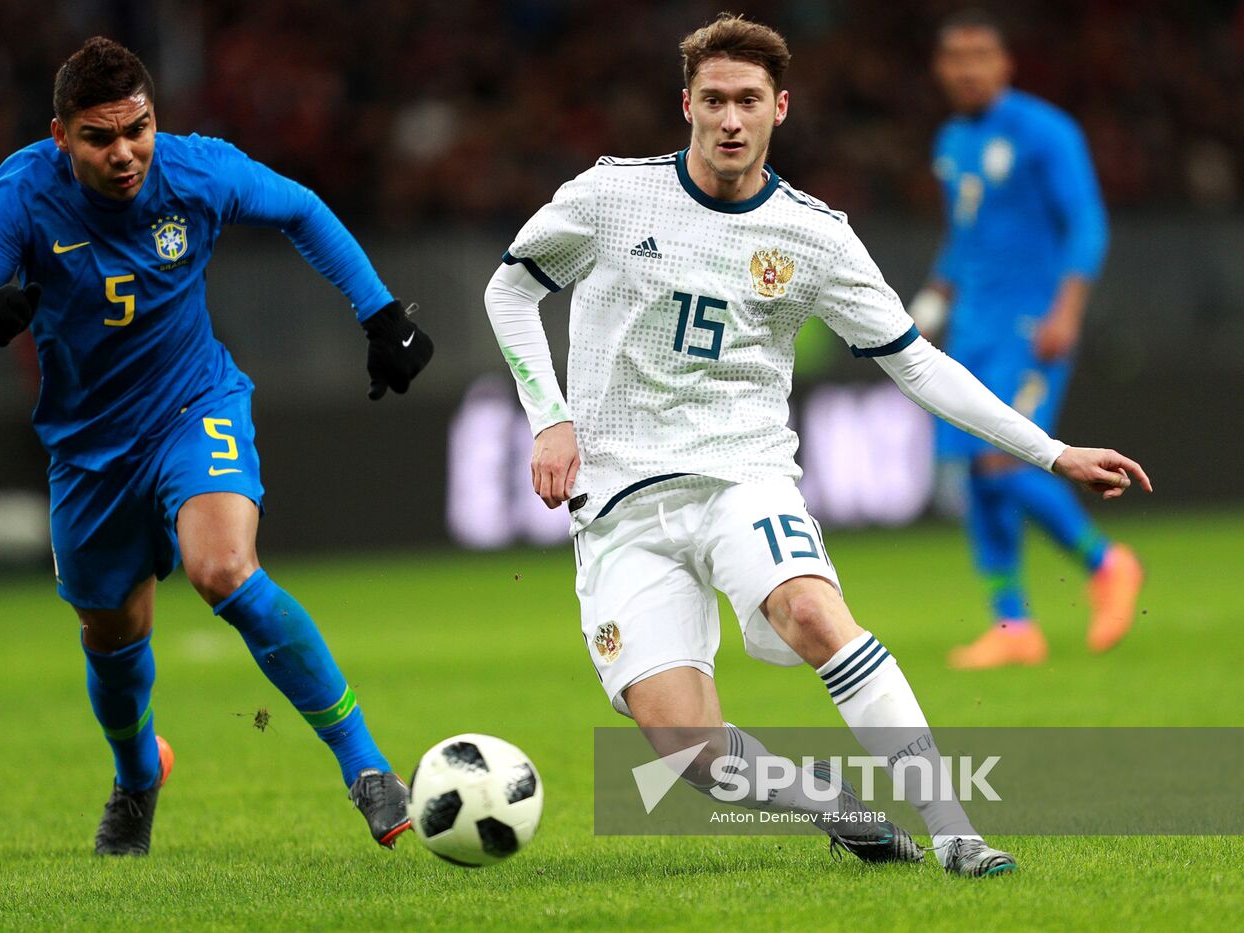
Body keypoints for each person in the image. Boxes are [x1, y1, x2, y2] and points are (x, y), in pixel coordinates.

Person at [483, 13, 1150, 877]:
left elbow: (920, 366)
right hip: (617, 497)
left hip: (743, 476)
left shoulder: (815, 235)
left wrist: (1051, 451)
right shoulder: (612, 197)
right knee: (688, 748)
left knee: (812, 612)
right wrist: (550, 416)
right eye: (714, 99)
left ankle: (957, 833)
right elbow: (510, 292)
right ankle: (831, 804)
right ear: (685, 104)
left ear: (779, 109)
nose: (730, 118)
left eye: (748, 101)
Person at [0, 37, 433, 856]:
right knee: (112, 640)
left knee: (223, 568)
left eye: (139, 128)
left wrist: (378, 311)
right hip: (89, 453)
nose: (125, 153)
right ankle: (136, 776)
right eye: (99, 137)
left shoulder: (196, 171)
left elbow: (301, 208)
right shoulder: (18, 199)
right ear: (61, 136)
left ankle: (367, 767)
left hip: (196, 406)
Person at [908, 10, 1143, 670]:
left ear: (1004, 64)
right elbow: (965, 237)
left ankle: (1108, 562)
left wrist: (1066, 312)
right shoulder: (952, 140)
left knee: (1002, 459)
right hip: (970, 331)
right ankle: (1013, 625)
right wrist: (929, 304)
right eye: (956, 56)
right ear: (940, 69)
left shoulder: (1045, 132)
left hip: (1028, 326)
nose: (968, 67)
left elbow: (1087, 226)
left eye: (981, 54)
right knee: (974, 474)